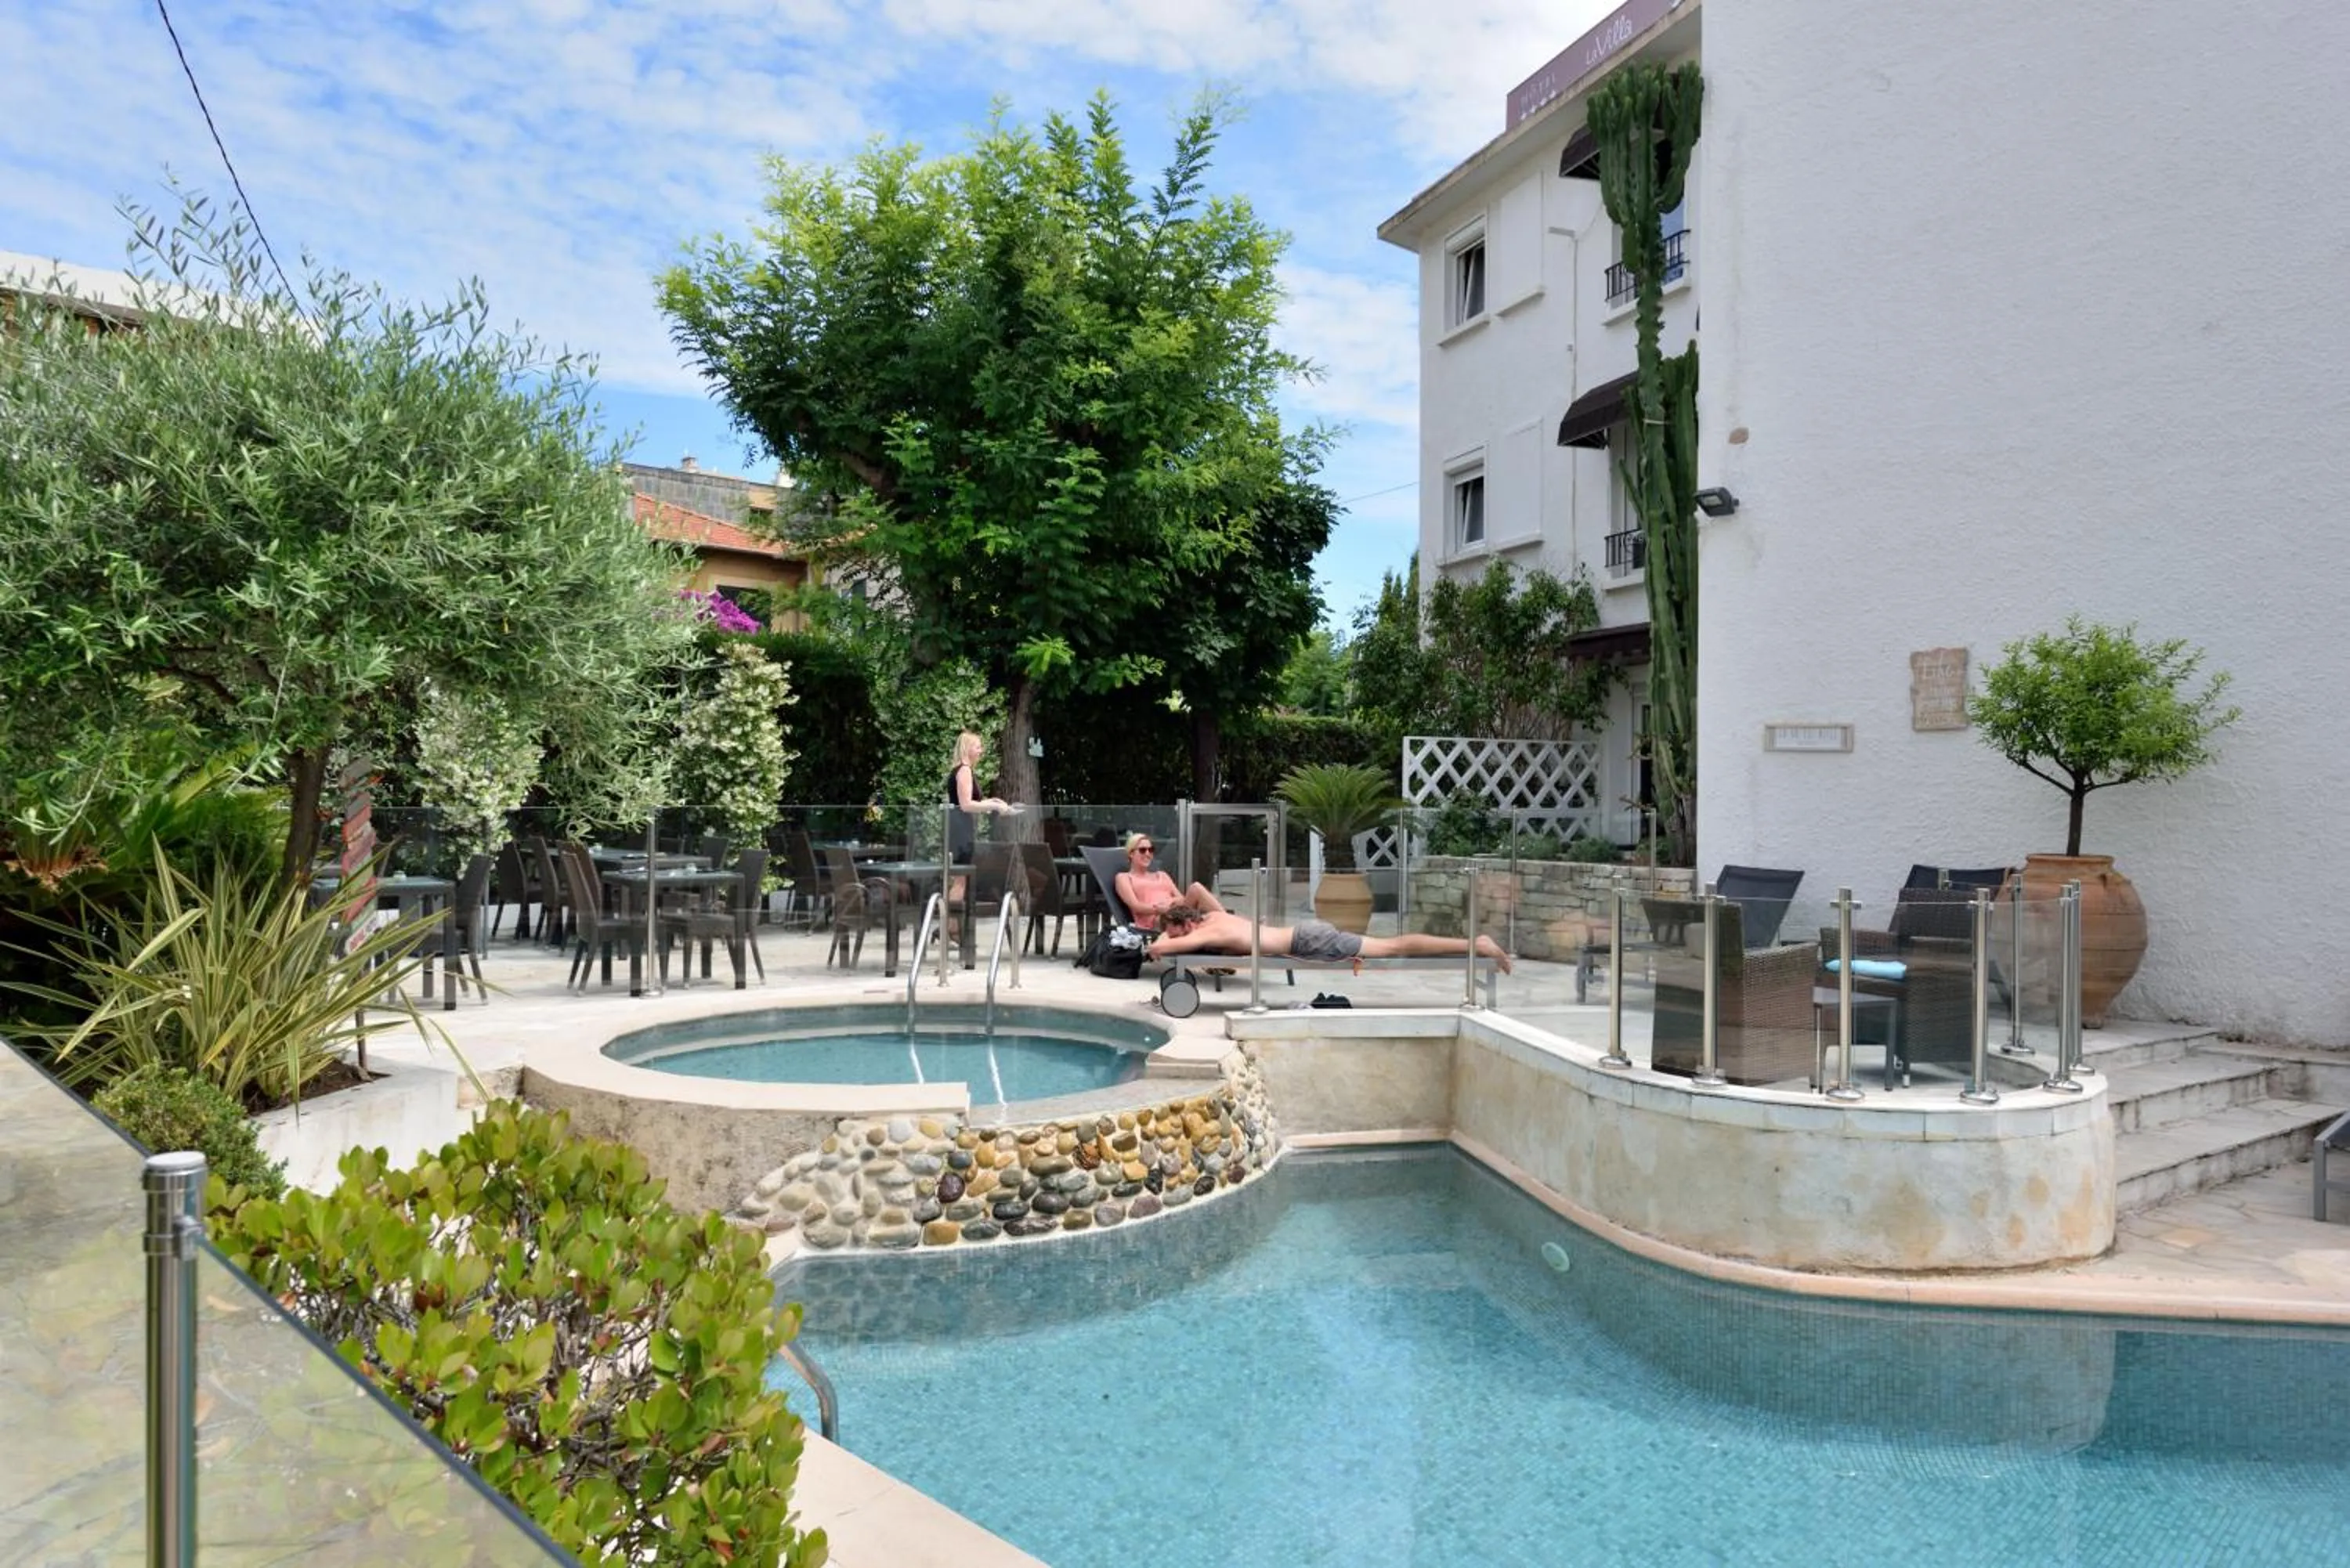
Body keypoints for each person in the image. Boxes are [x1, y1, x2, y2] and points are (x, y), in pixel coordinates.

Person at [1143, 901, 1512, 973]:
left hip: (1310, 944)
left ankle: (1473, 945)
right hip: (1307, 934)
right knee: (1391, 945)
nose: (1174, 937)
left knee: (1392, 946)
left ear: (1186, 925)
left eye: (1174, 929)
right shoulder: (1216, 914)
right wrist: (1171, 910)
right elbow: (1194, 890)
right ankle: (1471, 946)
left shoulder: (1211, 927)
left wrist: (1159, 941)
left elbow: (1164, 946)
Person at [943, 730, 1015, 923]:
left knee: (960, 880)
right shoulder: (965, 770)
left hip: (960, 828)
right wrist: (995, 806)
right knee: (959, 881)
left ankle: (951, 927)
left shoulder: (961, 770)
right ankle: (949, 928)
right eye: (978, 747)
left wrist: (993, 801)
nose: (981, 751)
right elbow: (966, 804)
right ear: (967, 749)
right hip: (961, 830)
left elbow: (972, 801)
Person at [1113, 832, 1225, 932]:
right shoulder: (1124, 878)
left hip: (1176, 913)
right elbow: (1136, 907)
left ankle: (1229, 922)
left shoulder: (1162, 875)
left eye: (1151, 850)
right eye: (1142, 850)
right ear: (1131, 854)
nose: (1148, 854)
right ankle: (1227, 924)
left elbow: (1181, 898)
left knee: (1196, 888)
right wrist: (1159, 909)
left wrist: (1170, 904)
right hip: (1156, 921)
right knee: (1204, 915)